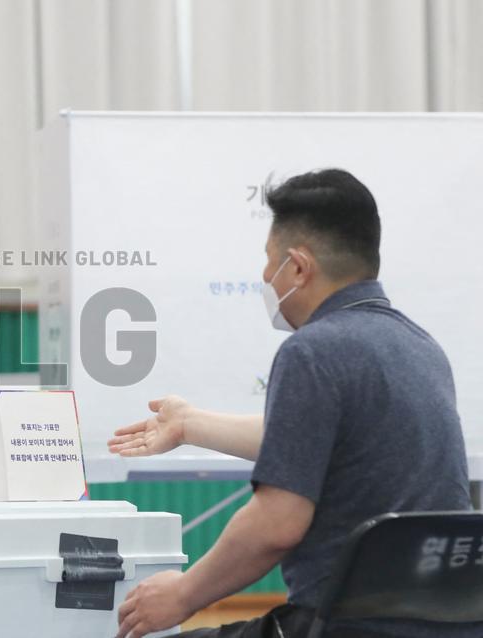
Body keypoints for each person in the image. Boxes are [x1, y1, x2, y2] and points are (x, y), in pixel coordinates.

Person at [108, 169, 475, 638]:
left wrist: (181, 595)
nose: (265, 277)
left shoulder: (313, 351)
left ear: (298, 267)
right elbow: (312, 441)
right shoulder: (420, 347)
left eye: (269, 261)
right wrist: (188, 423)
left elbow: (277, 525)